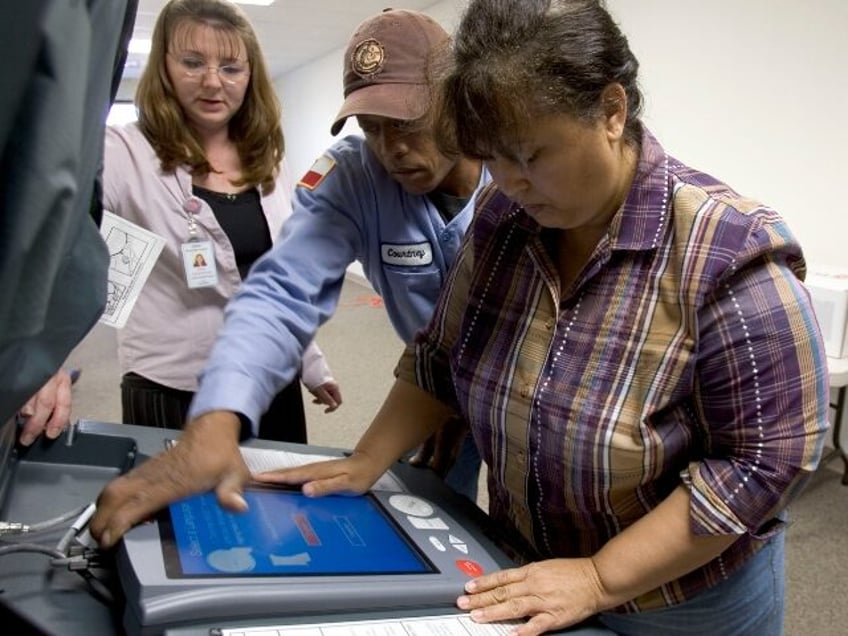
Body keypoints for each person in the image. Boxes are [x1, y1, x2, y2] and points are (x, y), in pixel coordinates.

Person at [250, 1, 831, 634]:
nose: (511, 181)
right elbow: (444, 352)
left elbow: (760, 466)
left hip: (682, 601)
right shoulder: (505, 220)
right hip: (530, 563)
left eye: (531, 155)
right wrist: (368, 461)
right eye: (494, 158)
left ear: (612, 111)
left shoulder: (728, 256)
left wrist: (599, 577)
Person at [90, 8, 488, 548]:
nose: (392, 149)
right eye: (373, 127)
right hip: (428, 387)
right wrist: (216, 418)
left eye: (410, 123)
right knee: (445, 525)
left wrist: (465, 400)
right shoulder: (352, 176)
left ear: (458, 101)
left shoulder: (515, 169)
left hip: (529, 388)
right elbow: (280, 293)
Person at [102, 0, 341, 443]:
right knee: (184, 512)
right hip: (174, 386)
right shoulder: (121, 153)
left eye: (231, 68)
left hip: (269, 376)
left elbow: (282, 276)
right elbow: (46, 237)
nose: (213, 82)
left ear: (250, 76)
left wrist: (310, 361)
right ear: (165, 67)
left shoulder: (266, 157)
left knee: (276, 508)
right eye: (193, 63)